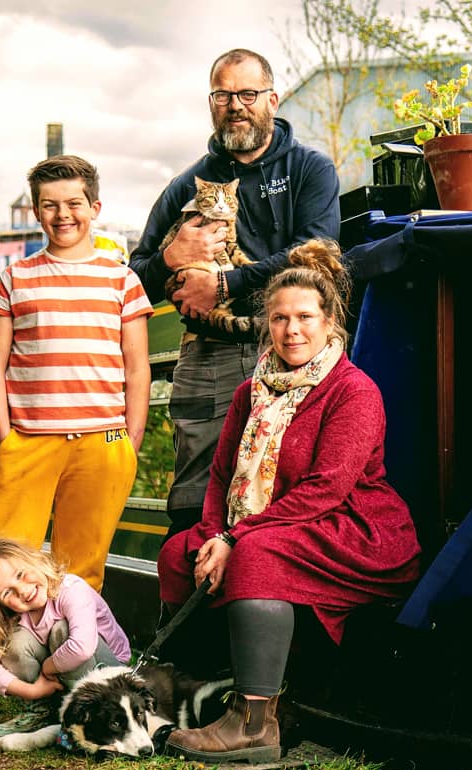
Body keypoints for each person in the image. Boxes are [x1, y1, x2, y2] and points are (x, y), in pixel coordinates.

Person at [157, 239, 420, 764]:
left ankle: (254, 724)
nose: (291, 330)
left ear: (330, 323)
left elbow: (328, 487)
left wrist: (235, 538)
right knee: (178, 553)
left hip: (356, 529)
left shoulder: (353, 390)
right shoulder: (251, 389)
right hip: (275, 526)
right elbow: (221, 475)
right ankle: (194, 691)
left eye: (304, 317)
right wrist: (213, 533)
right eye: (279, 318)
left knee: (257, 559)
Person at [0, 154, 152, 736]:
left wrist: (127, 441)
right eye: (50, 204)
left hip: (101, 445)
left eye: (74, 203)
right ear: (37, 211)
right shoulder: (15, 278)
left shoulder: (121, 278)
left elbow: (136, 367)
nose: (63, 215)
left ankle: (70, 693)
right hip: (29, 444)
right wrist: (9, 439)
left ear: (95, 207)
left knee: (81, 573)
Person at [130, 47, 341, 540]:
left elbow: (320, 251)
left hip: (293, 347)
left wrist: (225, 283)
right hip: (209, 355)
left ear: (272, 98)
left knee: (290, 492)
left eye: (247, 94)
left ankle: (269, 605)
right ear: (211, 103)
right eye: (223, 95)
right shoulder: (187, 184)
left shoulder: (311, 169)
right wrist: (171, 258)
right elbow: (135, 276)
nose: (236, 105)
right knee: (193, 502)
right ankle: (183, 614)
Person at [0, 540, 132, 737]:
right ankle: (44, 710)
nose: (23, 591)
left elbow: (82, 647)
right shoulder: (11, 615)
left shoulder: (70, 589)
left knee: (61, 629)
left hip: (108, 671)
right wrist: (32, 691)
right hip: (61, 676)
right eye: (7, 592)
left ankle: (93, 714)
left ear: (35, 560)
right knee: (13, 642)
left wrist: (48, 667)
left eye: (21, 574)